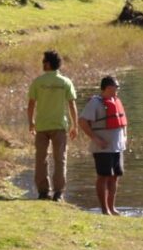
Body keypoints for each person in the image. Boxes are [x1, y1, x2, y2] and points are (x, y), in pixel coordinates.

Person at [27, 50, 78, 202]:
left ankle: (43, 192)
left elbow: (31, 104)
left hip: (41, 126)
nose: (42, 64)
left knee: (41, 159)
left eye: (43, 62)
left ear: (48, 64)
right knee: (60, 159)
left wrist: (31, 122)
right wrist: (74, 125)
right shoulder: (65, 82)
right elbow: (71, 105)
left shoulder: (38, 82)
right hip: (59, 126)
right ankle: (58, 193)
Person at [79, 76, 128, 215]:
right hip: (102, 148)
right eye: (115, 86)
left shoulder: (117, 101)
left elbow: (124, 123)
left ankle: (112, 207)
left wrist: (124, 137)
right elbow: (82, 121)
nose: (117, 89)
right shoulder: (95, 102)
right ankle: (104, 209)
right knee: (103, 176)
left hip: (117, 146)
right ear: (107, 87)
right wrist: (95, 139)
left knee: (115, 176)